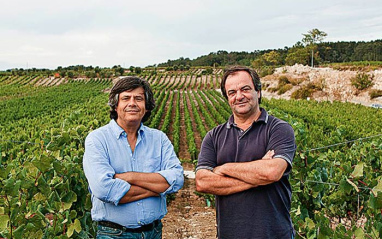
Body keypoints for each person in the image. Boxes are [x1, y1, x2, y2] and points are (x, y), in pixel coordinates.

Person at [195, 66, 296, 239]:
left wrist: (223, 168)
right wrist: (258, 177)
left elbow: (272, 172)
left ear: (258, 91)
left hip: (274, 234)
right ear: (227, 98)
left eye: (245, 89)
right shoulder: (213, 136)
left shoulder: (279, 129)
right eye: (232, 92)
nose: (239, 96)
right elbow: (203, 182)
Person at [83, 76, 184, 239]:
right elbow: (104, 189)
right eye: (125, 98)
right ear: (116, 105)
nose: (132, 103)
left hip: (154, 232)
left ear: (146, 106)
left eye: (139, 98)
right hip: (114, 234)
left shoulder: (159, 138)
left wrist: (129, 177)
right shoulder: (97, 139)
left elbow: (177, 179)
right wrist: (157, 188)